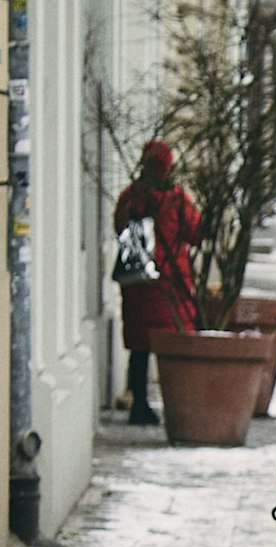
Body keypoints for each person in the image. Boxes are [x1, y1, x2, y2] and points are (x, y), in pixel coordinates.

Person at [114, 140, 200, 426]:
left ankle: (139, 401)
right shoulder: (176, 198)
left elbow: (119, 227)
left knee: (140, 347)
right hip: (170, 283)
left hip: (139, 281)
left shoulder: (131, 197)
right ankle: (180, 401)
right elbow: (195, 232)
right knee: (175, 343)